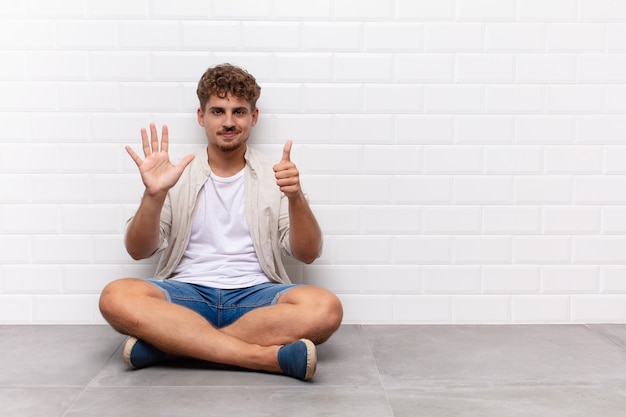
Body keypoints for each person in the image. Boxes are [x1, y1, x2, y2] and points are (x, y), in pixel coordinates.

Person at [99, 63, 343, 381]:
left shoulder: (277, 175)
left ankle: (174, 346)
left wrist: (295, 196)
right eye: (218, 111)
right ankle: (261, 358)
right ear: (202, 117)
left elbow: (307, 253)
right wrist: (154, 195)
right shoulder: (176, 174)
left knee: (326, 307)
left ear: (253, 117)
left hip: (256, 297)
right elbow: (138, 250)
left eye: (239, 112)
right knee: (114, 296)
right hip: (187, 295)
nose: (229, 122)